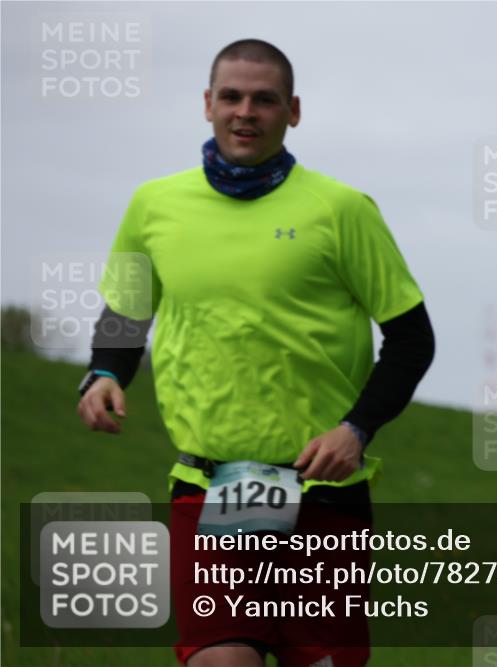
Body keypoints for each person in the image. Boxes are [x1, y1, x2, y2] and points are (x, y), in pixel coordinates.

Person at [75, 39, 434, 667]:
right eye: (232, 96)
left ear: (292, 111)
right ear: (207, 105)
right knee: (221, 659)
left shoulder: (343, 210)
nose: (246, 111)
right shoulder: (155, 204)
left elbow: (412, 338)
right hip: (208, 487)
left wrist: (357, 429)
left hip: (322, 493)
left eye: (264, 99)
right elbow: (129, 310)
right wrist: (106, 372)